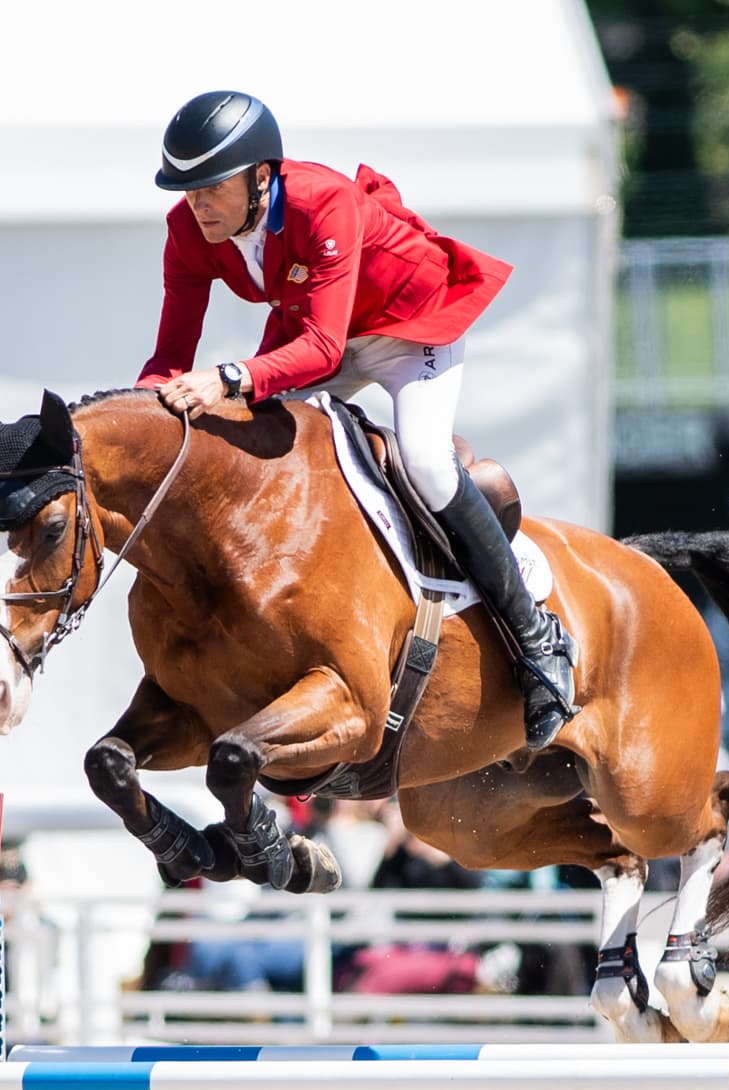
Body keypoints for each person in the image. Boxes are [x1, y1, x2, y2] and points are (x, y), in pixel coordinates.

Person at [133, 90, 577, 750]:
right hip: (318, 328)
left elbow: (322, 350)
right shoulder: (188, 231)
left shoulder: (322, 202)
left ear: (261, 177)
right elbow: (169, 358)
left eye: (212, 188)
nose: (198, 205)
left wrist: (226, 378)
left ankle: (538, 641)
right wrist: (133, 420)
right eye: (188, 190)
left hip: (406, 325)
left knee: (425, 461)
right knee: (255, 443)